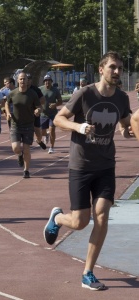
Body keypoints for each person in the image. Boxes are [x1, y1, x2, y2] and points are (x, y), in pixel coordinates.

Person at [43, 51, 133, 290]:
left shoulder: (122, 98)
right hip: (81, 165)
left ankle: (88, 272)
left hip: (106, 165)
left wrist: (128, 132)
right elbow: (59, 119)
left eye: (120, 68)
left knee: (102, 216)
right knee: (80, 222)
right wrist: (79, 126)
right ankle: (58, 218)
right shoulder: (85, 94)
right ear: (101, 69)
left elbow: (124, 125)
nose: (117, 72)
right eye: (113, 67)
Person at [5, 72, 41, 179]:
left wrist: (37, 110)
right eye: (20, 79)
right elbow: (6, 103)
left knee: (26, 149)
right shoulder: (13, 93)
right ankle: (19, 155)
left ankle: (26, 170)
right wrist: (7, 113)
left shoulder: (32, 94)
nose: (22, 81)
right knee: (16, 148)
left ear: (27, 81)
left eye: (24, 79)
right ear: (17, 80)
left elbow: (39, 106)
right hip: (15, 124)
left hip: (28, 124)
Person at [38, 75, 62, 154]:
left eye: (48, 80)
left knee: (52, 130)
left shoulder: (55, 90)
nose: (47, 82)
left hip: (53, 114)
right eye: (45, 80)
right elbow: (36, 100)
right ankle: (46, 135)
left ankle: (51, 147)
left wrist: (55, 104)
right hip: (43, 114)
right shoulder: (40, 89)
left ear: (51, 81)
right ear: (44, 82)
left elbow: (60, 101)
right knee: (42, 132)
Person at [26, 73, 46, 150]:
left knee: (37, 130)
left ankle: (39, 140)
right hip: (24, 114)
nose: (27, 81)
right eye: (26, 79)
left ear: (31, 81)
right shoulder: (20, 89)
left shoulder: (36, 89)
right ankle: (25, 145)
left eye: (29, 79)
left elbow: (43, 100)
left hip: (35, 113)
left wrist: (35, 103)